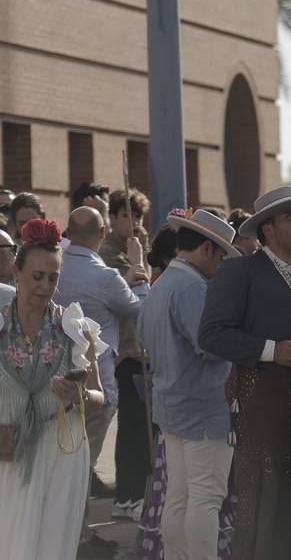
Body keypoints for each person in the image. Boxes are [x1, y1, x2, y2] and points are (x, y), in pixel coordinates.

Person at [198, 185, 291, 560]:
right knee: (274, 509)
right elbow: (212, 335)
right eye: (290, 216)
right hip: (267, 411)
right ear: (266, 228)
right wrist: (271, 351)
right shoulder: (241, 272)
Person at [0, 219, 109, 560]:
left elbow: (100, 397)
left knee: (53, 549)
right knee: (12, 545)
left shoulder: (73, 328)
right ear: (16, 272)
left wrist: (77, 395)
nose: (45, 286)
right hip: (10, 449)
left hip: (63, 448)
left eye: (53, 277)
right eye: (37, 276)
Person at [138, 210, 239, 560]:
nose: (223, 262)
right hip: (203, 408)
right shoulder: (193, 286)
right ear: (209, 248)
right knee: (206, 497)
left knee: (180, 497)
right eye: (222, 254)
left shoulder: (162, 283)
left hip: (173, 406)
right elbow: (212, 345)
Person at [57, 205, 151, 549]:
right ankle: (77, 536)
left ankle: (72, 533)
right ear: (101, 235)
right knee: (82, 466)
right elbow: (142, 310)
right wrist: (139, 268)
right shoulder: (105, 276)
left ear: (68, 231)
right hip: (95, 386)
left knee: (62, 465)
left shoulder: (55, 267)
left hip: (53, 381)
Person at [99, 189, 156, 518]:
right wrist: (137, 260)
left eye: (138, 216)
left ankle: (132, 493)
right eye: (127, 216)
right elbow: (129, 289)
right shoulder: (110, 252)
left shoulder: (131, 248)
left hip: (139, 349)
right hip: (125, 351)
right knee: (133, 426)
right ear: (114, 217)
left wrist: (142, 251)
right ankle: (127, 495)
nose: (134, 222)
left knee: (139, 425)